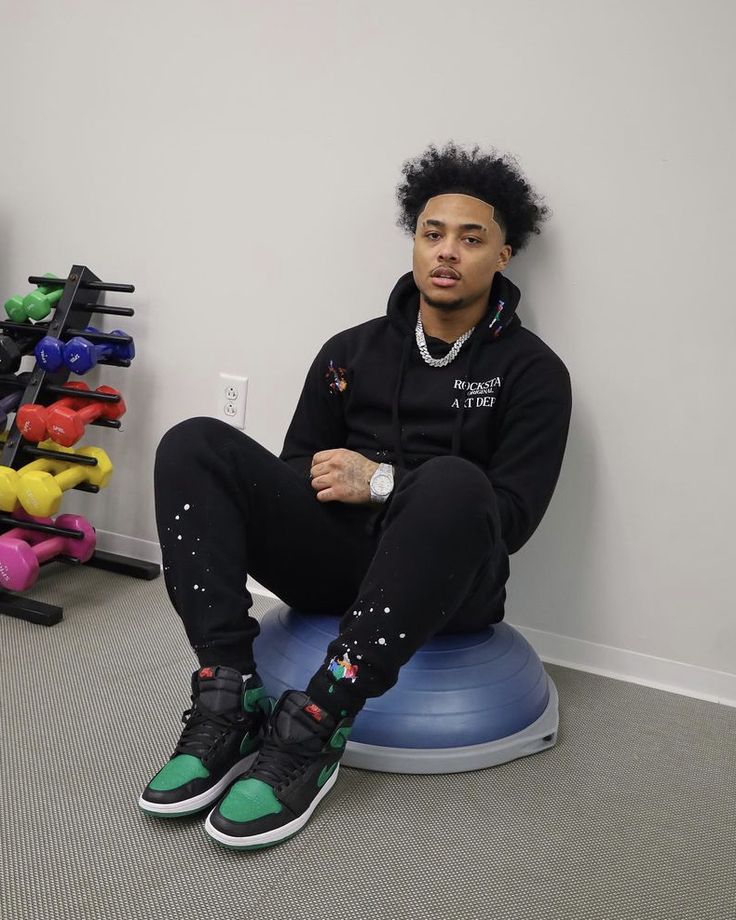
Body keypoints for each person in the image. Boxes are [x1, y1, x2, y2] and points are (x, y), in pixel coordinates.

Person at [139, 141, 572, 850]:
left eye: (471, 238)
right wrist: (335, 484)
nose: (446, 252)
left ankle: (317, 722)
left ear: (504, 254)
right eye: (432, 234)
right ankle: (228, 693)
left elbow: (512, 520)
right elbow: (293, 474)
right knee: (192, 442)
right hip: (336, 566)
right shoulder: (352, 350)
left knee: (454, 481)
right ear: (414, 241)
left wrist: (379, 482)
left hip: (451, 584)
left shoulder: (534, 374)